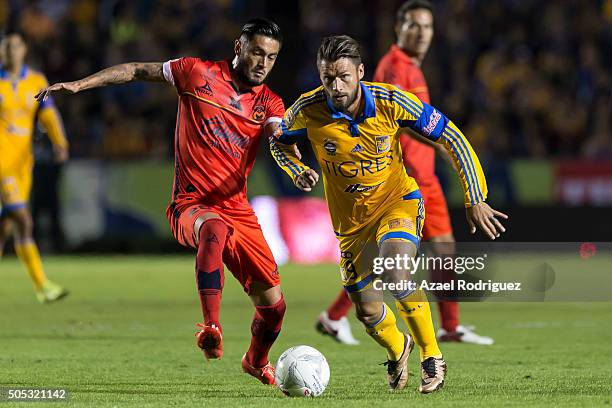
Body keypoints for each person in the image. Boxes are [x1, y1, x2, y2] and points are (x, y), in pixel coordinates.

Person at [37, 19, 287, 386]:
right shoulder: (195, 72)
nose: (263, 62)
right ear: (239, 46)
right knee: (213, 227)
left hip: (238, 209)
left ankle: (255, 360)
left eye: (271, 57)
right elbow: (137, 69)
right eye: (257, 52)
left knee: (274, 309)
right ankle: (211, 325)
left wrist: (291, 153)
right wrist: (81, 84)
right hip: (191, 205)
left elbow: (277, 132)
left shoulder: (269, 101)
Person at [270, 35, 507, 393]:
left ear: (360, 72)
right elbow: (278, 141)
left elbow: (452, 137)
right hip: (350, 226)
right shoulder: (307, 110)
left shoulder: (390, 101)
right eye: (328, 77)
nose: (336, 86)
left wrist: (475, 196)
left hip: (397, 202)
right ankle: (399, 347)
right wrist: (294, 169)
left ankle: (432, 358)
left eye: (344, 77)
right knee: (367, 312)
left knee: (396, 271)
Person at [317, 0, 494, 346]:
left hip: (421, 172)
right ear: (398, 28)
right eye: (413, 25)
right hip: (408, 177)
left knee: (432, 250)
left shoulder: (410, 66)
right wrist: (442, 146)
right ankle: (442, 328)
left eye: (427, 26)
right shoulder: (395, 67)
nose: (421, 32)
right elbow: (396, 117)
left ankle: (447, 326)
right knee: (408, 257)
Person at [0, 31, 69, 303]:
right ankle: (43, 286)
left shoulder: (36, 81)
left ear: (24, 49)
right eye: (6, 47)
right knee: (22, 219)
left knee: (5, 227)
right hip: (1, 163)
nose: (10, 51)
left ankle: (42, 287)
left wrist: (60, 142)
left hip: (22, 163)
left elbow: (49, 114)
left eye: (14, 46)